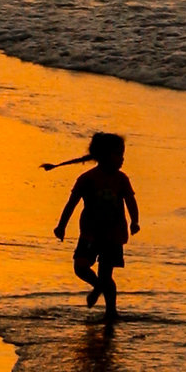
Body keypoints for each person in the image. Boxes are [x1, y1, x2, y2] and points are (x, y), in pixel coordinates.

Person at [51, 133, 139, 319]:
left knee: (106, 274)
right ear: (103, 155)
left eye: (122, 154)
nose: (122, 158)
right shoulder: (87, 178)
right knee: (80, 267)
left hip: (114, 235)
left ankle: (111, 311)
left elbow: (131, 201)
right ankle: (98, 286)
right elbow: (72, 203)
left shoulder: (122, 179)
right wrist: (61, 226)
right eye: (117, 154)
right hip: (90, 233)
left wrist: (135, 221)